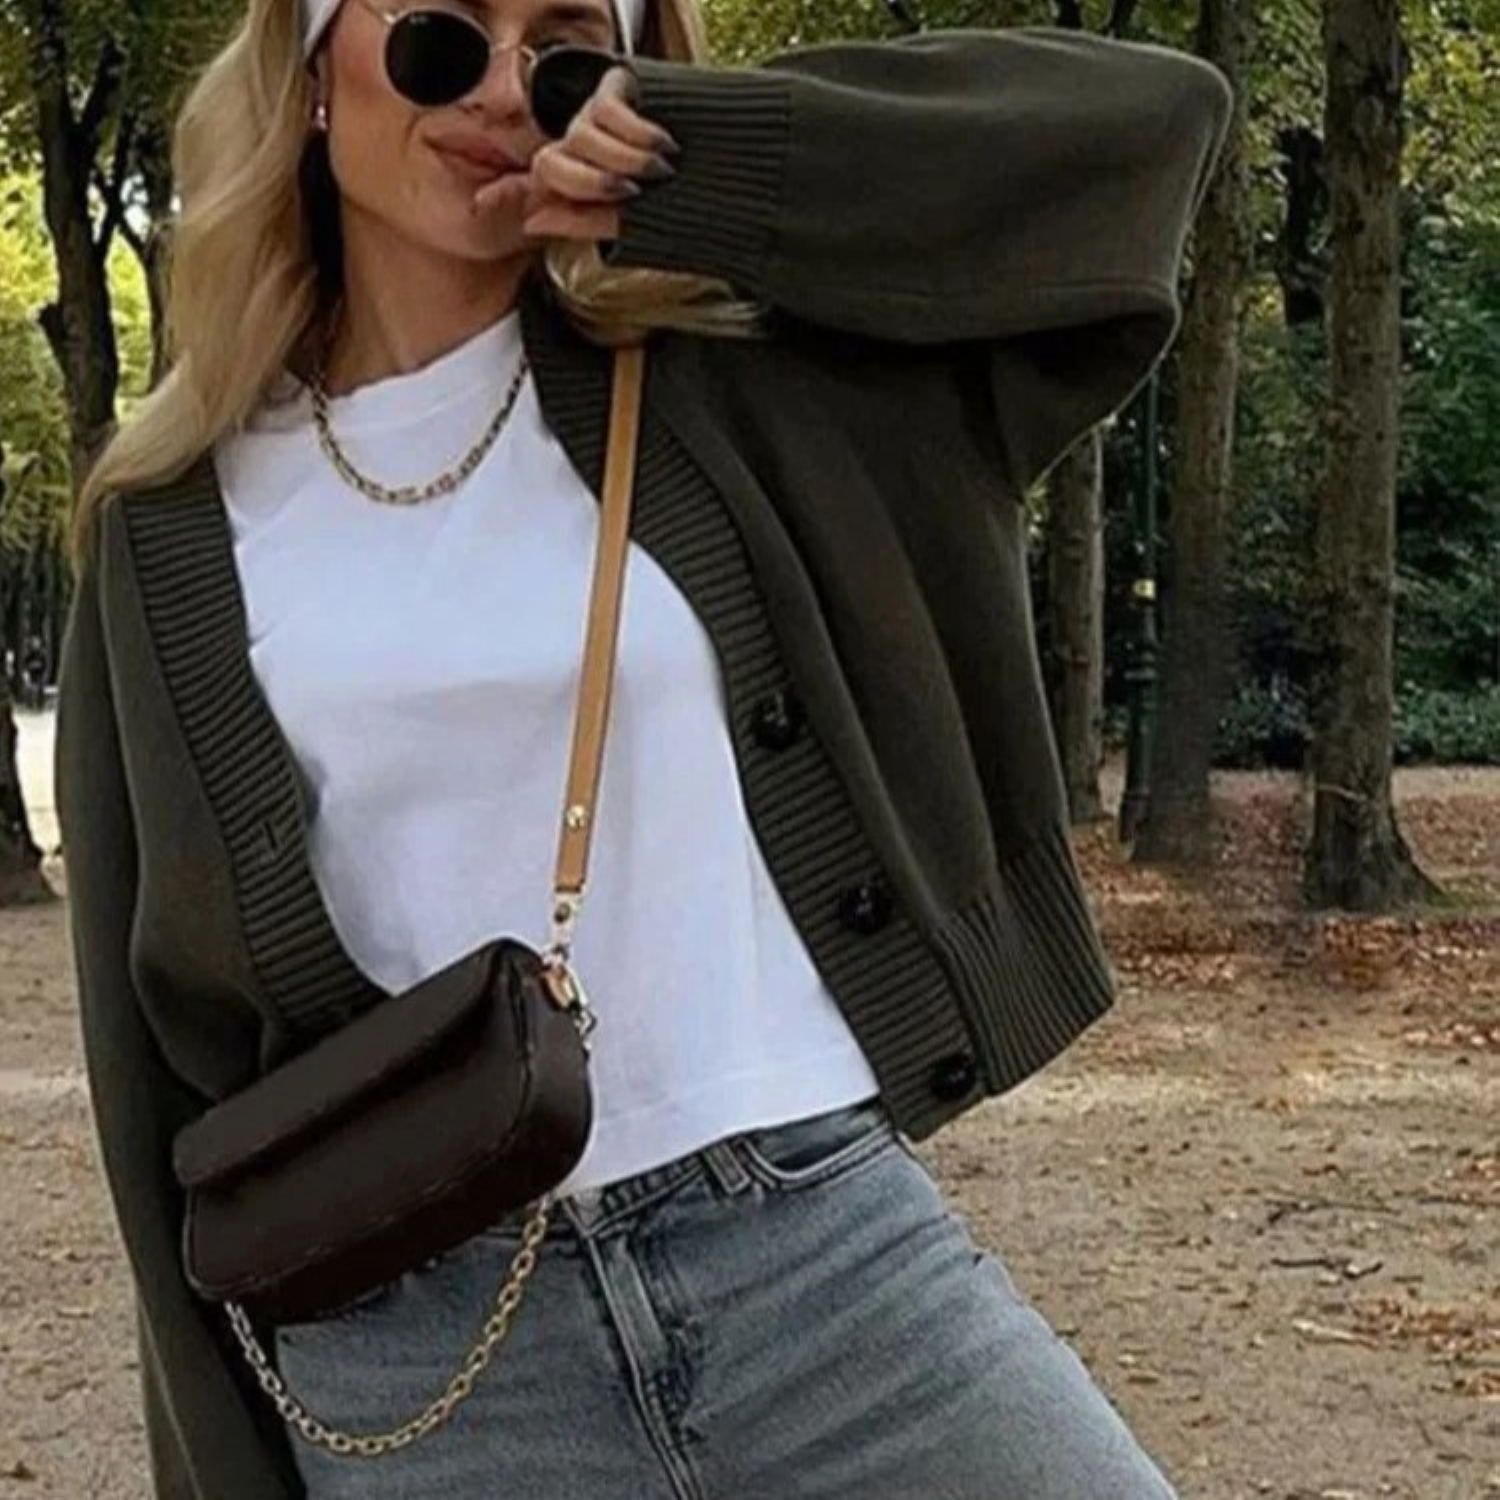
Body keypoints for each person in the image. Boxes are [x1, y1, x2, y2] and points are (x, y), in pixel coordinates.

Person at [55, 0, 1231, 1494]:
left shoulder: (751, 380)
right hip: (424, 1356)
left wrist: (696, 158)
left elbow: (1151, 128)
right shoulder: (166, 528)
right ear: (311, 76)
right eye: (438, 40)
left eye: (560, 53)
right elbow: (157, 1080)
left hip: (812, 1257)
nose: (501, 91)